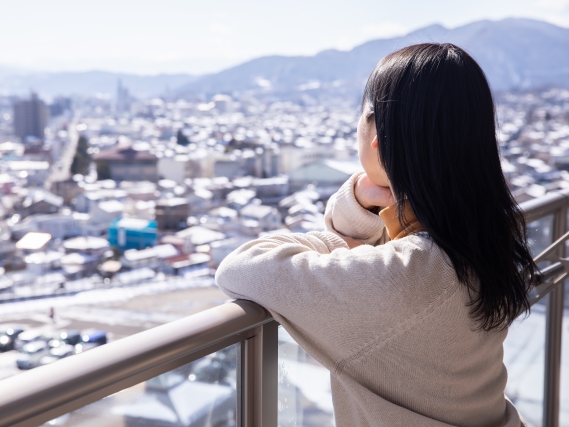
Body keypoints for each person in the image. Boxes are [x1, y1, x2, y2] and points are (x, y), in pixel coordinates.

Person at [216, 43, 536, 427]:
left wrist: (342, 243)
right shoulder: (485, 233)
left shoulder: (405, 276)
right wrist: (362, 208)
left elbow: (241, 268)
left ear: (378, 139)